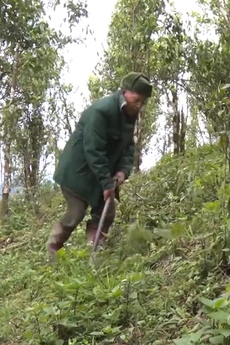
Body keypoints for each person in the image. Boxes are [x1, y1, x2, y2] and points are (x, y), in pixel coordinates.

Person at [46, 72, 153, 259]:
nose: (139, 105)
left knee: (106, 212)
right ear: (124, 93)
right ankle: (52, 252)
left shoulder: (130, 114)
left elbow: (128, 147)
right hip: (78, 173)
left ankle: (95, 251)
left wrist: (122, 171)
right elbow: (93, 150)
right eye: (136, 100)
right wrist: (106, 183)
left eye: (142, 102)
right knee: (76, 213)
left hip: (102, 174)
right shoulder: (101, 111)